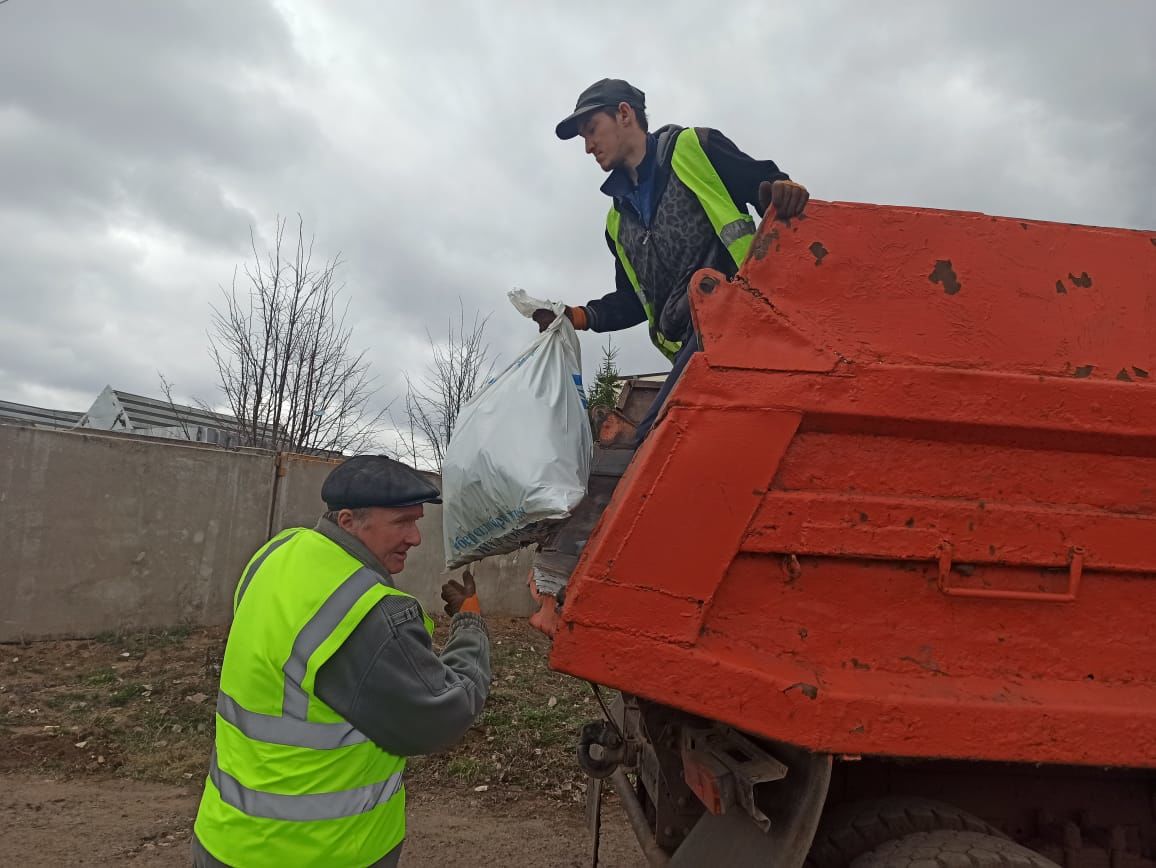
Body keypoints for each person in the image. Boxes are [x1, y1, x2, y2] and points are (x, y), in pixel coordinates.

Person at [528, 78, 811, 635]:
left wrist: (781, 192)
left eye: (591, 129)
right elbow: (633, 300)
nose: (588, 145)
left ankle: (571, 586)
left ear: (625, 114)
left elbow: (762, 182)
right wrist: (575, 316)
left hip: (741, 321)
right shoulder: (617, 220)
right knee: (661, 450)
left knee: (650, 444)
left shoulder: (692, 149)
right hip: (694, 345)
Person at [192, 455, 490, 868]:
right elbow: (442, 714)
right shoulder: (365, 610)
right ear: (348, 520)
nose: (416, 538)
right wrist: (471, 623)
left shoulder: (278, 553)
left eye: (416, 521)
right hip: (318, 851)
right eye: (402, 522)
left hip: (225, 838)